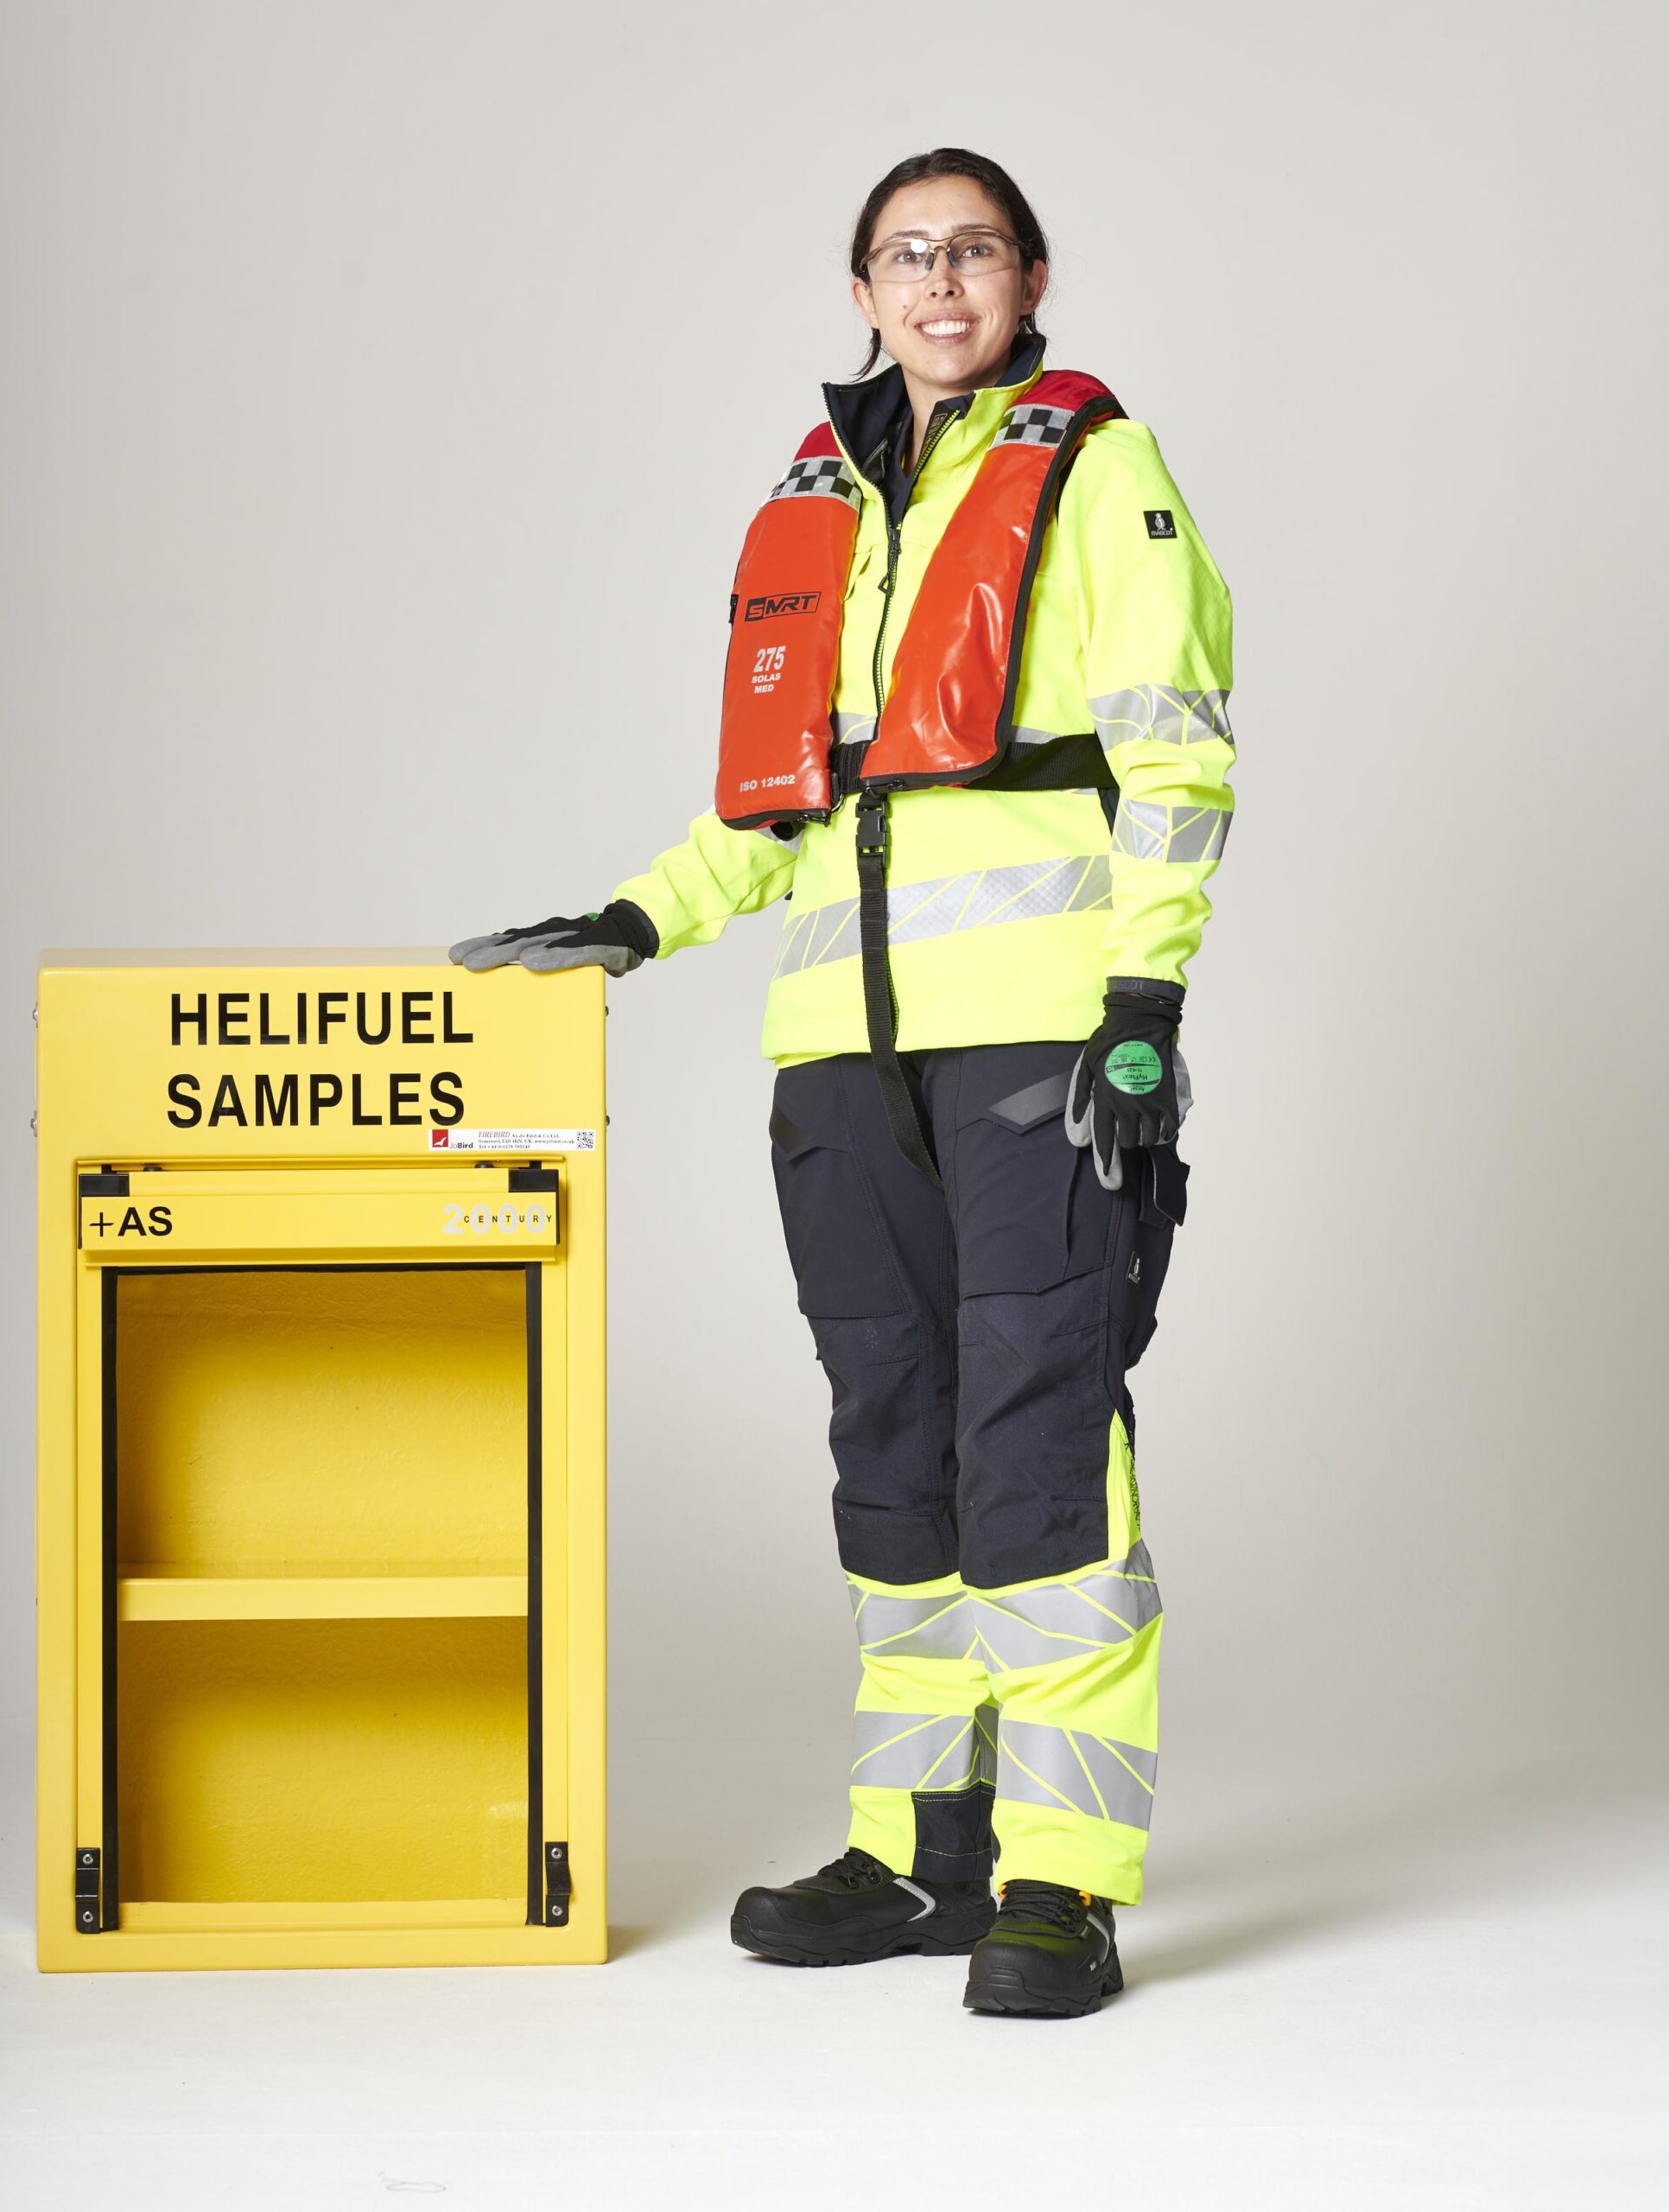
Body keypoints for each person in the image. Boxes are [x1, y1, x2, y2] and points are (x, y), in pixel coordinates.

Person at [452, 148, 1234, 2019]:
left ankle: (1061, 1883)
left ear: (1027, 275)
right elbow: (778, 814)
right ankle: (920, 1848)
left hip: (1040, 1048)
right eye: (904, 254)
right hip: (837, 1063)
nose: (938, 279)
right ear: (863, 290)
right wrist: (632, 922)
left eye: (971, 249)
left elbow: (1174, 753)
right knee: (893, 1453)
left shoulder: (1096, 472)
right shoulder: (808, 507)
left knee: (1039, 1451)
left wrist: (1141, 997)